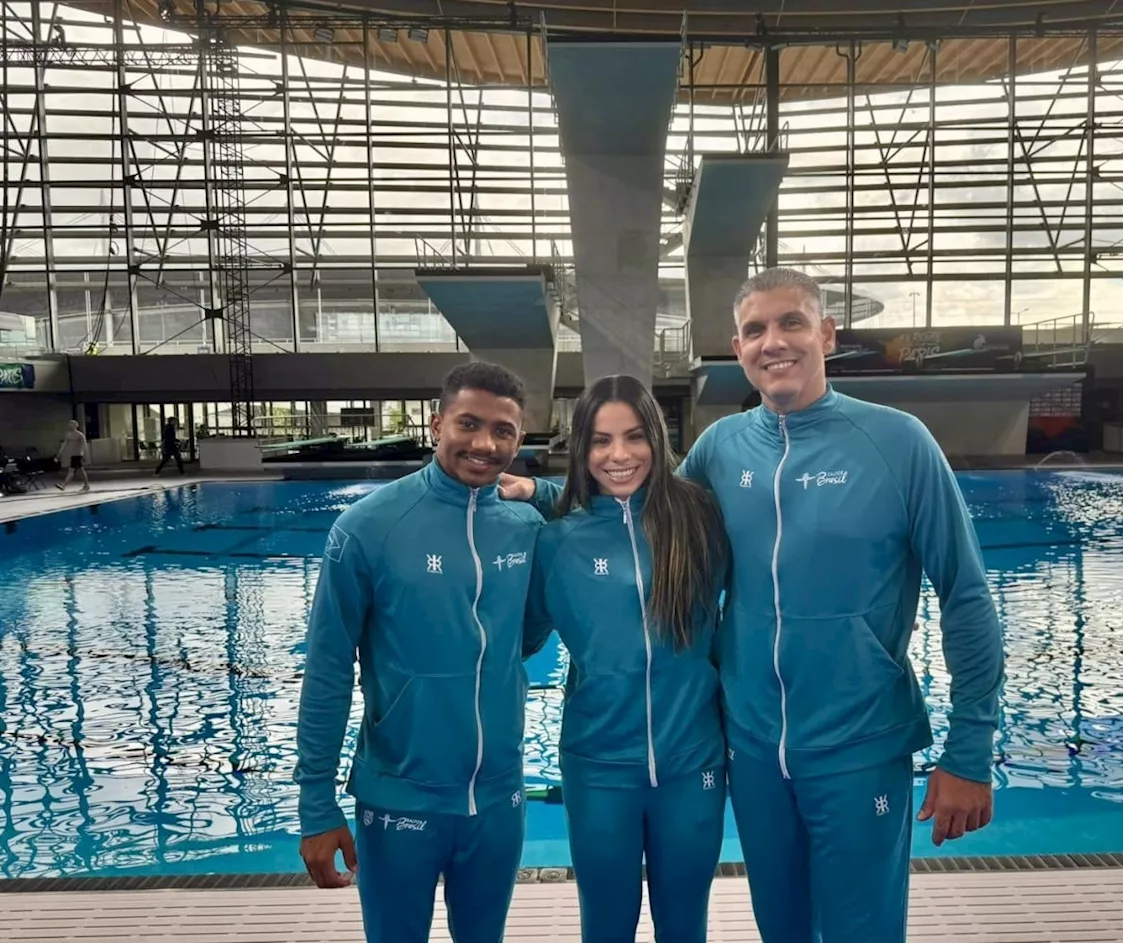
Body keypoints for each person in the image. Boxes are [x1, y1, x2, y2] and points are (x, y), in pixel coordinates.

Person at [503, 267, 1005, 943]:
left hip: (860, 745)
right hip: (755, 750)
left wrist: (970, 751)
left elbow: (967, 596)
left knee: (864, 930)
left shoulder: (899, 444)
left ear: (826, 333)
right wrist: (543, 500)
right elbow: (638, 505)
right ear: (737, 349)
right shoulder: (720, 449)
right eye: (755, 329)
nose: (775, 342)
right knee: (783, 929)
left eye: (791, 322)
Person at [294, 362, 547, 943]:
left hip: (498, 798)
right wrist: (316, 804)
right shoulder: (367, 528)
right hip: (399, 798)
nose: (484, 444)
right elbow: (328, 670)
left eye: (503, 431)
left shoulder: (525, 529)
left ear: (519, 438)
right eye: (469, 423)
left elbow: (525, 635)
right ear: (437, 425)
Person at [522, 375, 729, 943]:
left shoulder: (702, 521)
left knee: (684, 925)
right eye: (601, 441)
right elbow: (519, 640)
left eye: (635, 437)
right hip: (598, 767)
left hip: (693, 765)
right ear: (582, 450)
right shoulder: (558, 542)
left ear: (657, 442)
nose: (618, 455)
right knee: (607, 925)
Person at [55, 420, 90, 493]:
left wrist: (84, 454)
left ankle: (64, 485)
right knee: (81, 470)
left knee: (71, 471)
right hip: (73, 455)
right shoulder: (68, 434)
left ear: (75, 426)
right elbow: (64, 444)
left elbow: (84, 445)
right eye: (69, 424)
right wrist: (59, 453)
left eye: (71, 424)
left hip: (78, 455)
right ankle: (86, 485)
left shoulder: (80, 435)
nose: (70, 425)